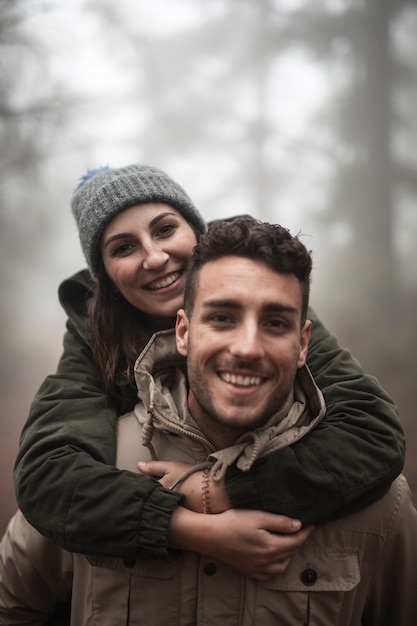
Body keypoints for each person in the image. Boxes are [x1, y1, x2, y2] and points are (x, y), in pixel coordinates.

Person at [1, 218, 415, 625]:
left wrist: (221, 490)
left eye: (275, 323)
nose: (248, 348)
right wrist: (175, 522)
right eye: (222, 318)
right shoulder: (92, 468)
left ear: (304, 342)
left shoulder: (377, 499)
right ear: (182, 331)